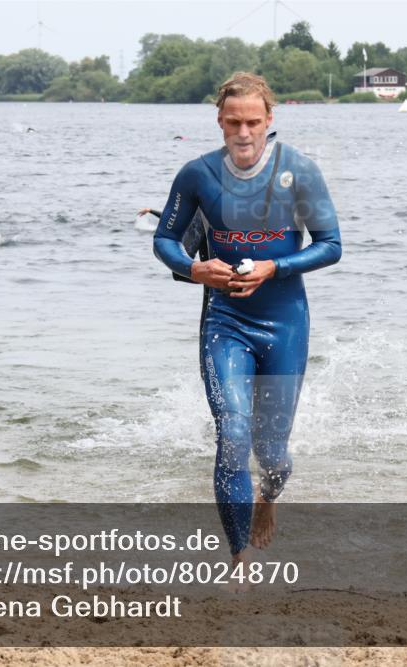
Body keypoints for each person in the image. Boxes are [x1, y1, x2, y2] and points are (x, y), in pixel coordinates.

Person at [152, 72, 341, 568]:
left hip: (285, 323)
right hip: (225, 320)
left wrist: (275, 266)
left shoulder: (299, 170)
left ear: (269, 121)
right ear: (219, 121)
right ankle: (238, 561)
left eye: (253, 122)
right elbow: (164, 241)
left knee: (272, 454)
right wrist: (195, 268)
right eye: (233, 122)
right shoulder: (196, 174)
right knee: (233, 436)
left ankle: (268, 500)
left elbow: (331, 246)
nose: (243, 132)